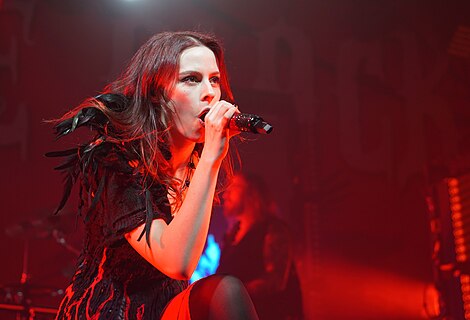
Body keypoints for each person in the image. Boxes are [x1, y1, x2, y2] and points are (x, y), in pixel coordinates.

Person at [47, 31, 259, 320]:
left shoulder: (196, 166)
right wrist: (212, 156)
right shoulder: (116, 162)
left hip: (166, 310)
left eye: (214, 79)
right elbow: (178, 262)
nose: (210, 92)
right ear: (158, 95)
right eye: (191, 79)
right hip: (112, 312)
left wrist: (207, 160)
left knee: (224, 292)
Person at [217, 173, 303, 320]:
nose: (226, 194)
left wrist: (231, 294)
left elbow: (276, 280)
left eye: (234, 187)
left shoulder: (273, 229)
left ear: (252, 192)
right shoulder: (232, 236)